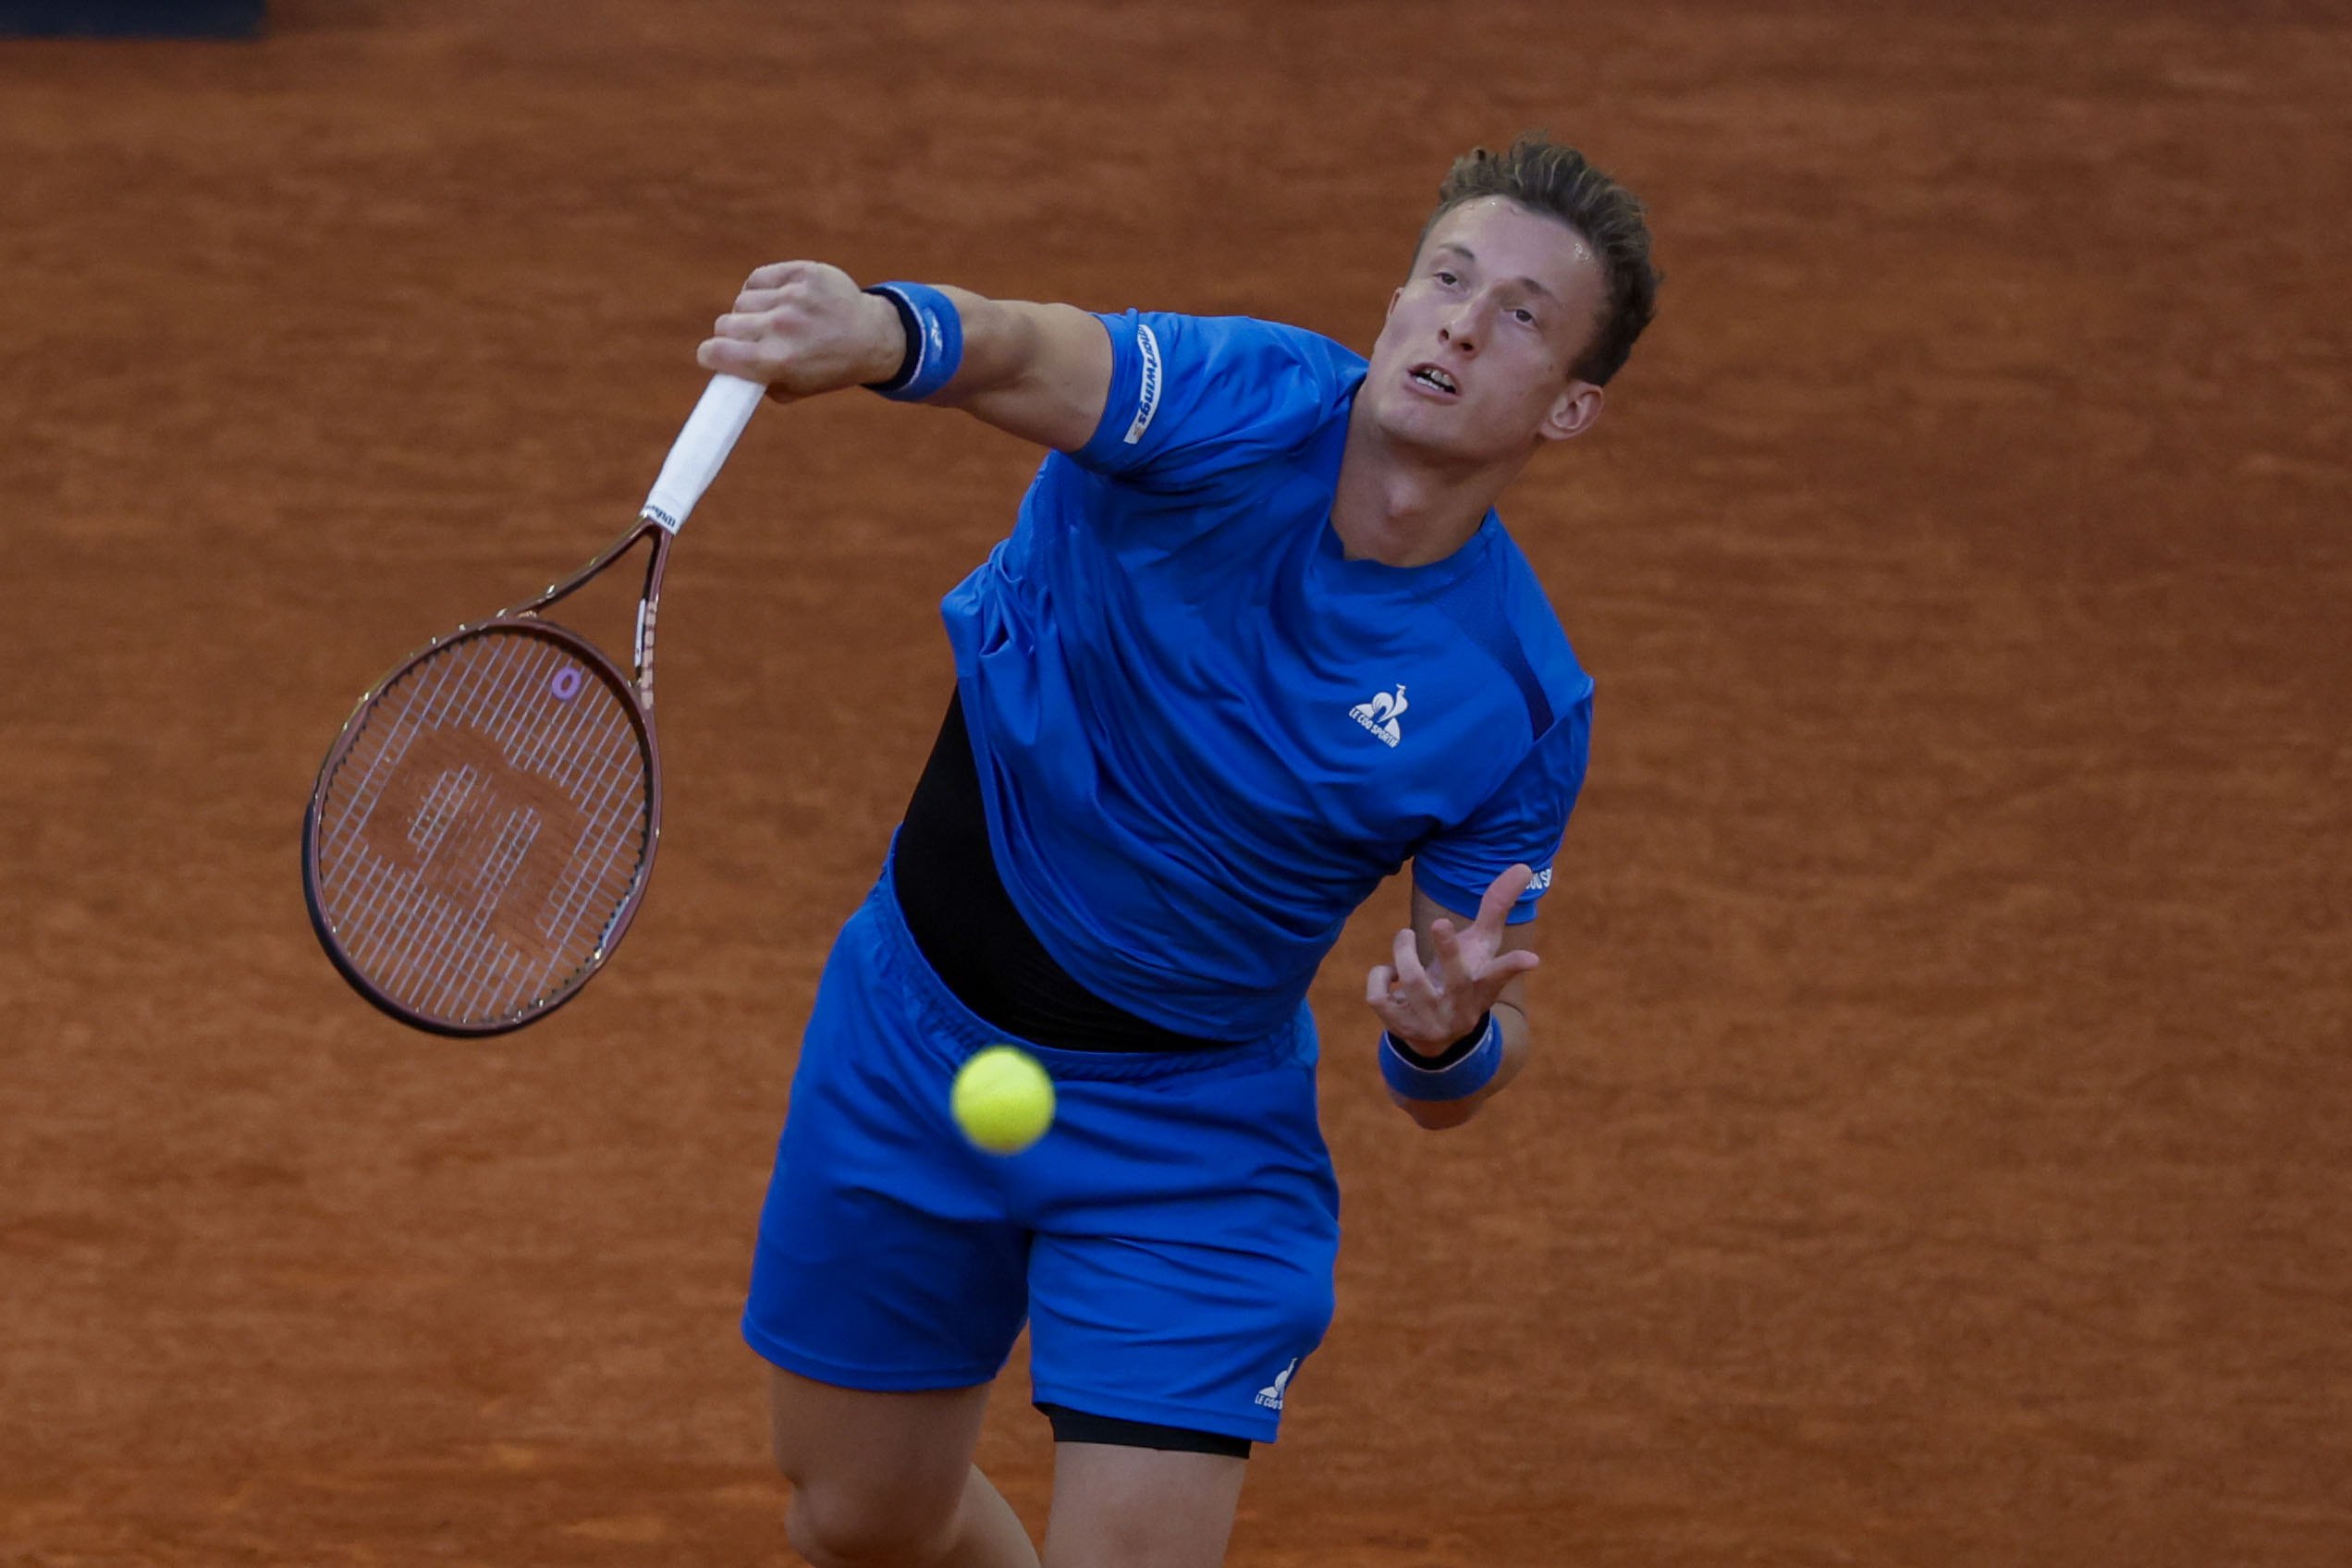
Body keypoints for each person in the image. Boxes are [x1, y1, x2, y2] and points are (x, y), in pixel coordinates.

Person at [696, 133, 1660, 1568]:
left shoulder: (1515, 698)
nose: (1460, 319)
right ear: (1394, 303)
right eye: (1444, 278)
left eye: (1519, 313)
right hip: (911, 1036)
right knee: (858, 1520)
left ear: (1569, 409)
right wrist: (884, 328)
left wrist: (1452, 1038)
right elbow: (1031, 354)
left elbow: (1462, 1069)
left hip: (1185, 1143)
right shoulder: (1243, 399)